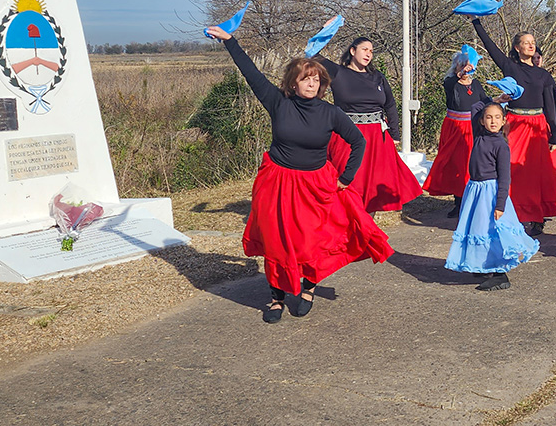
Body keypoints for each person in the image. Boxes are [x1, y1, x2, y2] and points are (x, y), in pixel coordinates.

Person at [206, 26, 394, 323]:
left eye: (316, 79)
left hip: (314, 184)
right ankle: (276, 298)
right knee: (277, 241)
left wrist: (345, 178)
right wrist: (231, 42)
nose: (311, 83)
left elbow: (358, 141)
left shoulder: (330, 113)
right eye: (306, 78)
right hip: (277, 181)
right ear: (293, 83)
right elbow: (251, 73)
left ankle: (308, 288)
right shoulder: (278, 102)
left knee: (311, 242)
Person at [470, 17, 556, 236]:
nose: (531, 45)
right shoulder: (510, 67)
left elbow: (550, 106)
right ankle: (509, 214)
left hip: (538, 127)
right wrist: (476, 22)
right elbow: (491, 48)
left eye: (533, 42)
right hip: (514, 125)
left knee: (539, 174)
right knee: (511, 170)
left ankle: (538, 218)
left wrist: (554, 133)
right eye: (526, 42)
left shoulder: (544, 75)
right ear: (517, 47)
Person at [316, 37, 422, 214]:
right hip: (347, 135)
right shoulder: (337, 72)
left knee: (373, 182)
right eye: (364, 49)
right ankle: (345, 221)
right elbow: (312, 54)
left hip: (376, 137)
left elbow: (390, 105)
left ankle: (367, 224)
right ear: (352, 51)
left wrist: (394, 134)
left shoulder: (377, 76)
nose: (368, 54)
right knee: (347, 179)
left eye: (371, 51)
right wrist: (326, 31)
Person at [445, 102, 540, 290]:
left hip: (490, 193)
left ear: (504, 121)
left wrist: (500, 205)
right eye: (488, 117)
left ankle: (499, 274)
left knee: (491, 232)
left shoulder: (501, 145)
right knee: (477, 229)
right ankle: (483, 265)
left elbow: (505, 178)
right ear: (481, 121)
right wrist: (496, 99)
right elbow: (475, 107)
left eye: (497, 117)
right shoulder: (479, 136)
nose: (493, 121)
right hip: (474, 190)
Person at [423, 48, 496, 217]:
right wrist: (461, 72)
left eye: (468, 65)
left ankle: (474, 202)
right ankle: (459, 202)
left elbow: (485, 102)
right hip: (455, 129)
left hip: (473, 128)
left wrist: (499, 101)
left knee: (473, 164)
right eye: (461, 65)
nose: (466, 69)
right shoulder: (450, 83)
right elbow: (451, 84)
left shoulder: (476, 84)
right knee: (456, 165)